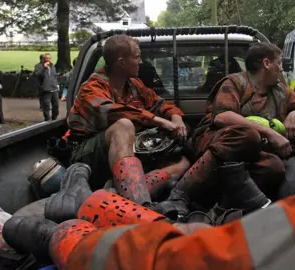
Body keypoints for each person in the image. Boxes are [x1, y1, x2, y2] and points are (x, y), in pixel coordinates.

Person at [3, 0, 295, 267]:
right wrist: (170, 122)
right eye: (134, 59)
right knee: (228, 140)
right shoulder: (97, 86)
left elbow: (160, 103)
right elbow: (138, 115)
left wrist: (172, 114)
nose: (141, 65)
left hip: (147, 178)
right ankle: (129, 202)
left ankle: (95, 200)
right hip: (96, 147)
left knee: (264, 164)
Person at [160, 42, 295, 216]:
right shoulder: (235, 82)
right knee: (247, 134)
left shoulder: (280, 91)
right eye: (279, 63)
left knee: (274, 166)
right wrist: (270, 133)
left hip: (249, 154)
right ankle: (179, 195)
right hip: (215, 141)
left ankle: (219, 207)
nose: (281, 69)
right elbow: (222, 116)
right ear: (266, 63)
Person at [56, 34, 193, 217]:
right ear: (121, 62)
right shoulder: (92, 88)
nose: (140, 61)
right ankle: (140, 206)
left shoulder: (135, 85)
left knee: (184, 162)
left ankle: (121, 192)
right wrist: (159, 120)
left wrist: (176, 118)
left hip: (124, 155)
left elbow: (161, 104)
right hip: (88, 156)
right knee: (124, 125)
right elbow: (115, 112)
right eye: (137, 56)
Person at [34, 53, 59, 121]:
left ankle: (54, 119)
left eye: (49, 58)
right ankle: (47, 119)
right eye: (46, 58)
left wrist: (57, 85)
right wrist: (44, 68)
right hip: (45, 89)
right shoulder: (39, 66)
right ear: (43, 59)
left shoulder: (52, 66)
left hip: (54, 88)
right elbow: (37, 75)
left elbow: (54, 76)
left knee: (56, 105)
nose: (48, 59)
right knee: (46, 105)